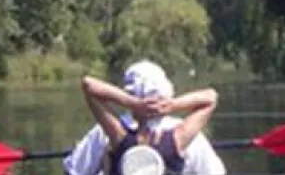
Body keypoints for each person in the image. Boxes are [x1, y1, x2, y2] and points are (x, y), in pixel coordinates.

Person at [62, 60, 224, 175]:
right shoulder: (180, 135)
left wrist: (133, 103)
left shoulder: (115, 134)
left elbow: (89, 85)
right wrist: (172, 104)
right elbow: (211, 98)